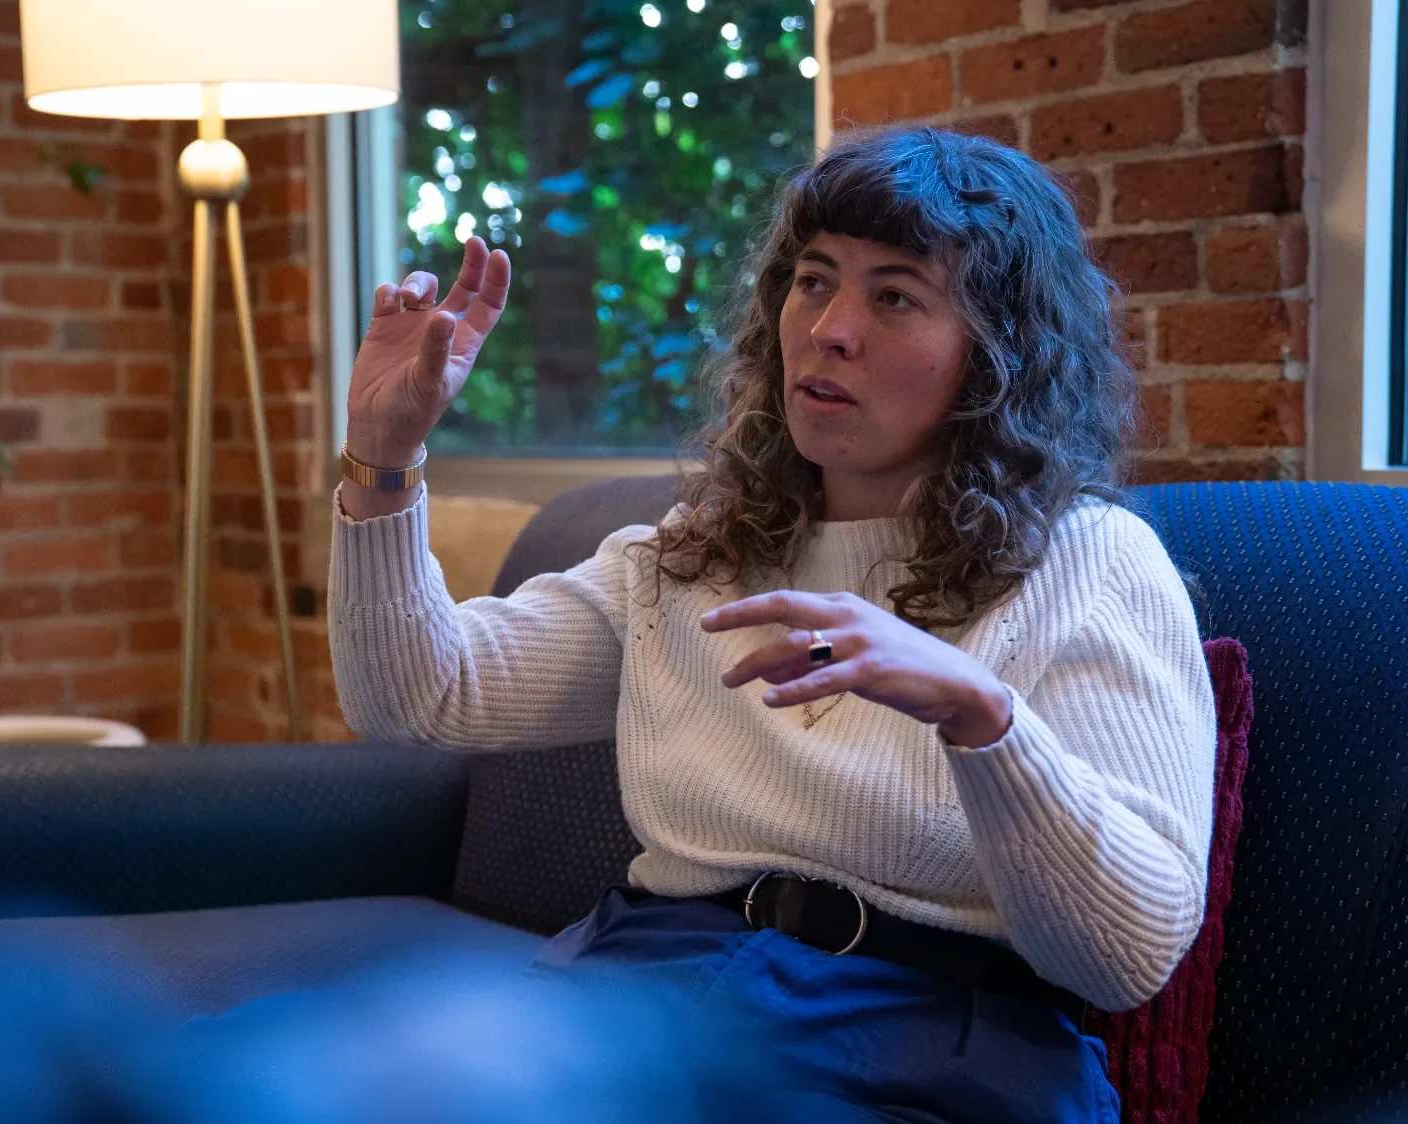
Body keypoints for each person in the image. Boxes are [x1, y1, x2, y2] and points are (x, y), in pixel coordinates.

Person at [329, 126, 1217, 1122]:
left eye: (894, 297)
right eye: (812, 280)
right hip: (648, 986)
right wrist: (382, 456)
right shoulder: (697, 552)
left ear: (996, 355)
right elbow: (417, 695)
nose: (830, 329)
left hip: (930, 1038)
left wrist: (982, 718)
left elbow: (1125, 957)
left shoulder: (1090, 563)